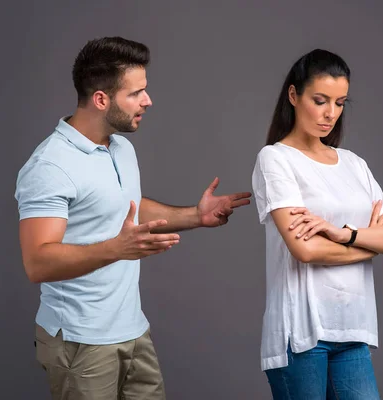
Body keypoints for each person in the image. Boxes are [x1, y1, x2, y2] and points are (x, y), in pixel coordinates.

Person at [14, 36, 251, 400]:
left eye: (146, 90)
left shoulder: (121, 147)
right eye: (136, 93)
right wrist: (116, 248)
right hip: (81, 341)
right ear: (101, 99)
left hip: (133, 332)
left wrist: (195, 216)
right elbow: (38, 262)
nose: (147, 101)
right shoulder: (50, 165)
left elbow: (125, 205)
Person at [251, 48, 383, 399]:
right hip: (301, 332)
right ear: (294, 96)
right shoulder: (275, 160)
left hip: (353, 329)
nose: (330, 114)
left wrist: (346, 234)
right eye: (320, 100)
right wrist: (370, 246)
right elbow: (304, 249)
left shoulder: (354, 164)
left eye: (340, 103)